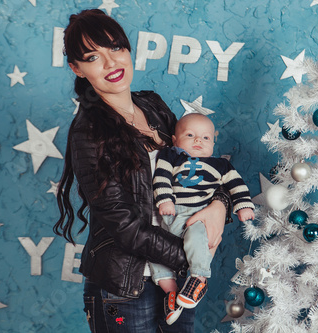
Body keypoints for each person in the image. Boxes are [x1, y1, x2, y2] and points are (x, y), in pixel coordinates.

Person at [53, 9, 232, 333]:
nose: (111, 63)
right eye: (94, 57)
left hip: (178, 280)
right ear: (77, 69)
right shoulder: (88, 131)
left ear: (128, 50)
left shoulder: (153, 105)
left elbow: (197, 165)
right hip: (125, 288)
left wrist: (220, 204)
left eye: (116, 48)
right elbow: (124, 226)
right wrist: (193, 260)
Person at [150, 113, 255, 324]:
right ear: (175, 140)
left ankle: (198, 277)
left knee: (197, 239)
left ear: (214, 143)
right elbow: (161, 178)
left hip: (197, 214)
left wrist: (243, 206)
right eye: (190, 135)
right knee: (155, 253)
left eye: (206, 138)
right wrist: (165, 200)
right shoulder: (169, 157)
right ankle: (171, 294)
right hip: (169, 214)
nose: (198, 140)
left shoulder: (220, 166)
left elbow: (237, 186)